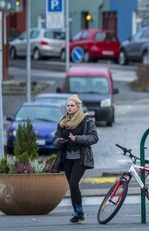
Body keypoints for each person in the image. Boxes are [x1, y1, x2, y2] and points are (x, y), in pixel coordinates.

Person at [52, 95, 98, 224]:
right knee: (72, 186)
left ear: (78, 107)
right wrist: (59, 141)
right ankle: (77, 213)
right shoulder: (63, 121)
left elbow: (94, 138)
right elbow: (55, 139)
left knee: (73, 183)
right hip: (66, 158)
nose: (69, 108)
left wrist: (76, 139)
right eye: (68, 105)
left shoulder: (86, 120)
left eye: (72, 105)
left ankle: (80, 211)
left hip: (81, 157)